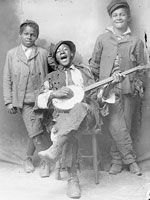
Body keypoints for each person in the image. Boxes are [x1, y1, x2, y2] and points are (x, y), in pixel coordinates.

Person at [89, 0, 145, 176]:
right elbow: (94, 65)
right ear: (111, 18)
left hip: (128, 89)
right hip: (108, 90)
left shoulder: (136, 41)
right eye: (115, 15)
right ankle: (130, 160)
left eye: (122, 14)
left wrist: (137, 85)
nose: (118, 17)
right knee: (115, 125)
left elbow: (142, 68)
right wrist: (97, 88)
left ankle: (117, 161)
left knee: (125, 126)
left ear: (128, 17)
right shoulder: (102, 39)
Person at [3, 19, 51, 178]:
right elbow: (7, 78)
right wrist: (8, 101)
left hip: (42, 100)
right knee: (36, 132)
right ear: (20, 34)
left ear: (36, 36)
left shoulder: (43, 53)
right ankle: (45, 160)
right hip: (24, 101)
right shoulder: (12, 54)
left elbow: (53, 72)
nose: (29, 37)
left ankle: (27, 158)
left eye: (33, 34)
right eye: (26, 34)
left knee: (38, 130)